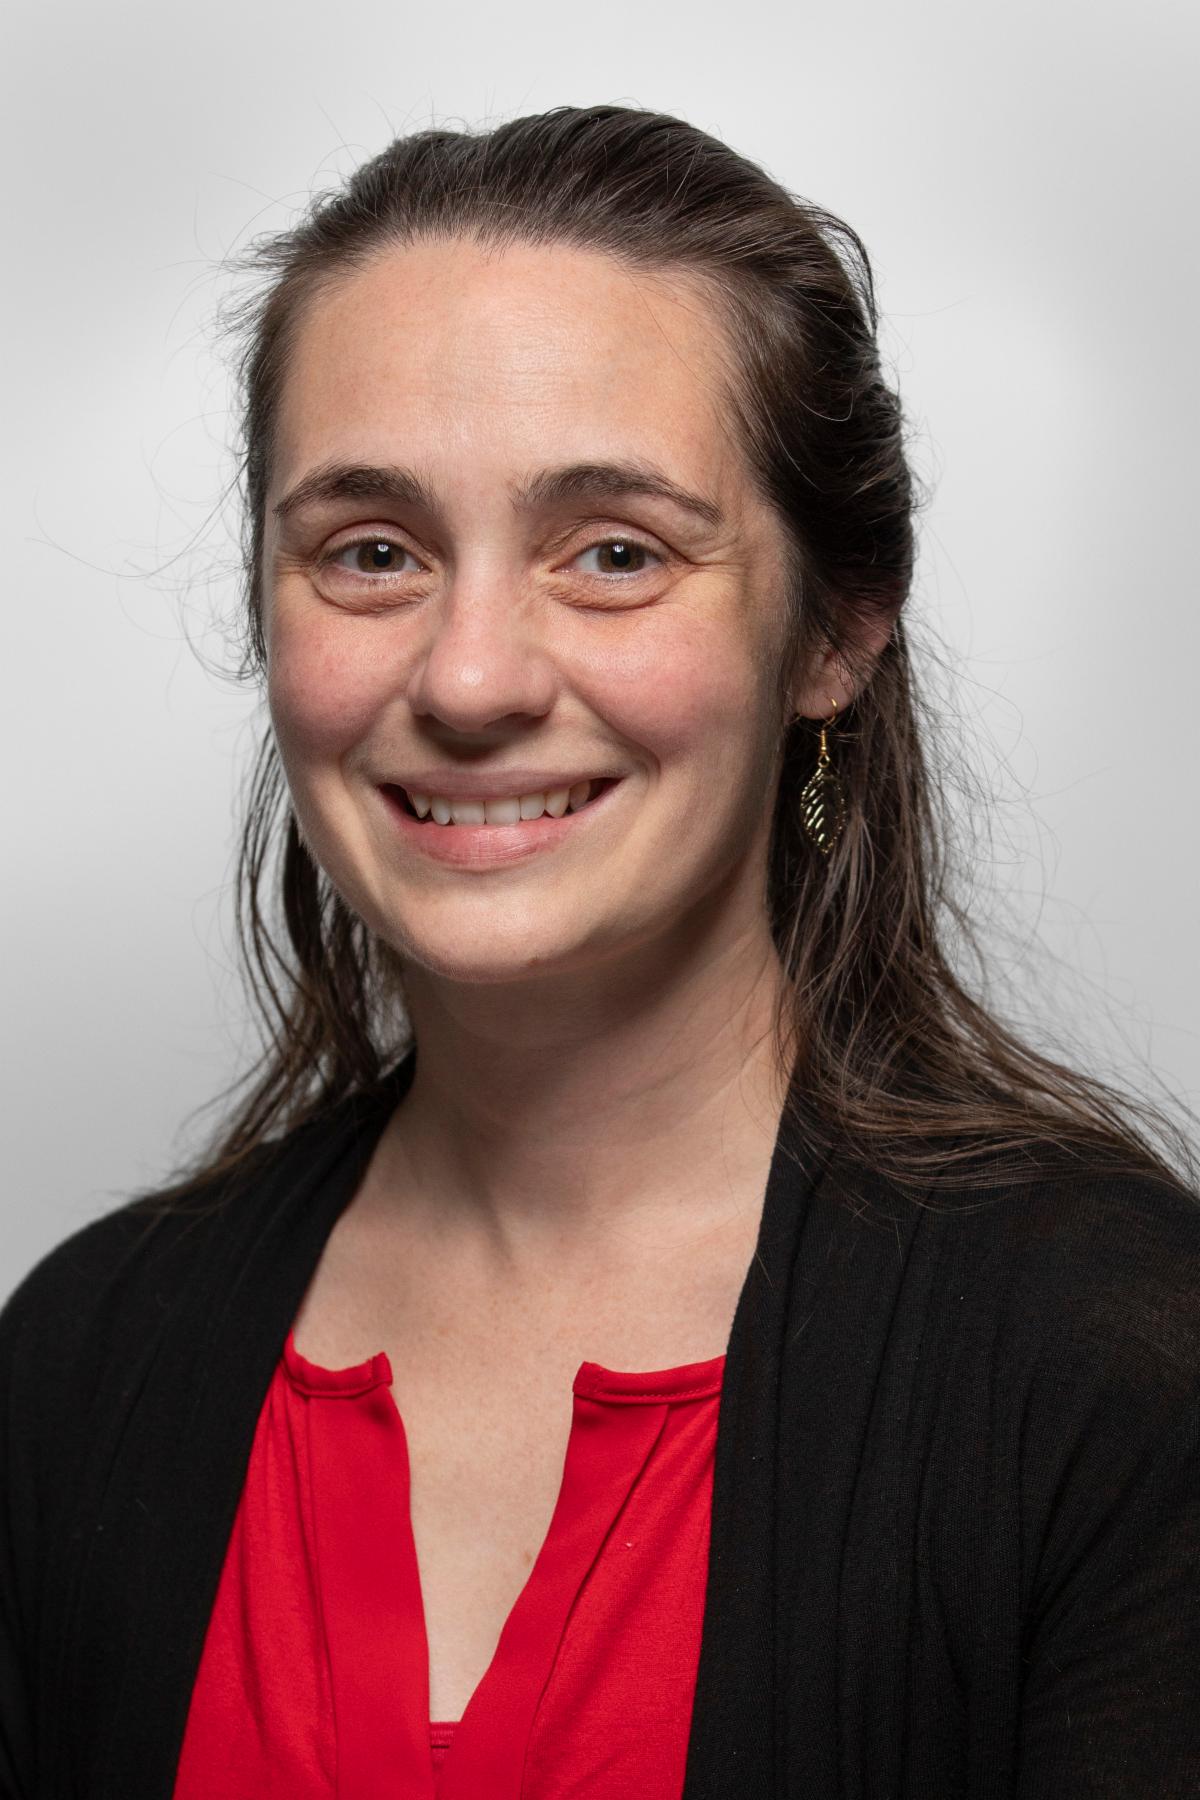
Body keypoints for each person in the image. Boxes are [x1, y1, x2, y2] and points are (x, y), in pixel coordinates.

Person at [2, 103, 1197, 1800]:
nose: (471, 677)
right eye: (374, 553)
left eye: (615, 552)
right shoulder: (73, 1369)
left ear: (833, 633)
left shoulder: (1119, 1373)